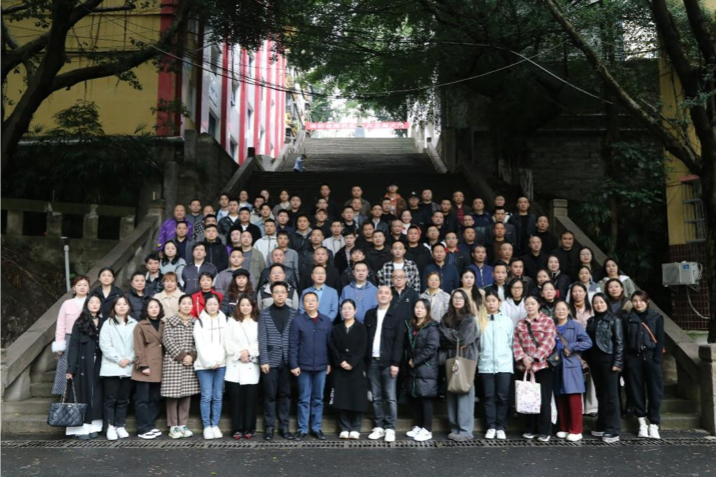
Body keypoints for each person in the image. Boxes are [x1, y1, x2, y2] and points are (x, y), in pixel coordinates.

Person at [289, 292, 333, 441]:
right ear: (303, 304)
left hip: (321, 366)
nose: (310, 303)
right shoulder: (297, 321)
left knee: (318, 398)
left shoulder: (326, 321)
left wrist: (329, 363)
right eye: (307, 301)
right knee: (303, 398)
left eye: (313, 300)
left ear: (318, 303)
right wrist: (294, 364)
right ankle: (302, 429)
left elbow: (330, 345)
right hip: (303, 366)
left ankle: (316, 428)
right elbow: (293, 344)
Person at [258, 281, 299, 440]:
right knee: (269, 395)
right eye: (276, 292)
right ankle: (269, 428)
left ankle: (284, 427)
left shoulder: (294, 313)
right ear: (272, 295)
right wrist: (264, 360)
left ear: (287, 294)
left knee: (285, 395)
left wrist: (295, 361)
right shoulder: (264, 313)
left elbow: (296, 339)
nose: (280, 295)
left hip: (288, 361)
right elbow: (262, 338)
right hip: (270, 361)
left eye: (282, 292)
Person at [513, 295, 556, 442]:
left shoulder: (547, 321)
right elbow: (516, 342)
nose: (530, 306)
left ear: (539, 305)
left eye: (533, 303)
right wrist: (523, 357)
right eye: (527, 304)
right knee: (528, 397)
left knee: (543, 398)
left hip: (542, 366)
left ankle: (544, 430)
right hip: (525, 367)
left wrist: (534, 357)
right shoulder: (520, 323)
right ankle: (530, 428)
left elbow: (549, 342)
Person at [365, 285, 404, 443]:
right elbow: (366, 339)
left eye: (386, 293)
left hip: (388, 362)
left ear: (391, 297)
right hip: (372, 360)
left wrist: (395, 363)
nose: (383, 295)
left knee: (390, 397)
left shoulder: (397, 315)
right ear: (376, 296)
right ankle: (379, 426)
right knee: (376, 396)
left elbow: (399, 341)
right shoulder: (370, 314)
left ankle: (390, 427)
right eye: (380, 292)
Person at [624, 291, 664, 439]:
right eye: (635, 300)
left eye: (641, 300)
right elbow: (625, 340)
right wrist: (628, 359)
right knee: (636, 391)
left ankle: (654, 423)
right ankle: (642, 422)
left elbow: (660, 339)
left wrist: (657, 359)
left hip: (651, 357)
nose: (638, 303)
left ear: (647, 302)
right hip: (634, 358)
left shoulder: (656, 317)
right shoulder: (628, 318)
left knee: (655, 391)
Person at [440, 289, 479, 441]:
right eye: (455, 297)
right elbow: (441, 338)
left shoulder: (469, 319)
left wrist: (448, 333)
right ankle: (454, 428)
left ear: (465, 301)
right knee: (451, 391)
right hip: (449, 359)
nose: (457, 300)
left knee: (464, 391)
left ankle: (465, 431)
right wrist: (452, 337)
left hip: (465, 359)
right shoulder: (446, 317)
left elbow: (462, 339)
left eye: (460, 298)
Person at [64, 295, 105, 439]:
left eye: (97, 302)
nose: (94, 304)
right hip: (83, 364)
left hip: (100, 362)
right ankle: (80, 428)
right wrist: (71, 368)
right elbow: (73, 346)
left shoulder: (104, 322)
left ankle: (95, 426)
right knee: (82, 393)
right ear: (87, 304)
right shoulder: (80, 322)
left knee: (97, 394)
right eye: (91, 302)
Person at [585, 293, 624, 443]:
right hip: (594, 362)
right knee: (600, 394)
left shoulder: (614, 320)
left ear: (606, 303)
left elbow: (619, 343)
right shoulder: (591, 320)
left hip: (609, 361)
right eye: (596, 302)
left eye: (601, 302)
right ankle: (601, 424)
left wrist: (617, 363)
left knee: (611, 396)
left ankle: (613, 429)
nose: (599, 305)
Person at [552, 300, 592, 442]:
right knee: (560, 397)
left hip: (571, 365)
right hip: (556, 365)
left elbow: (588, 342)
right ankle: (564, 427)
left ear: (568, 311)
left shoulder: (575, 326)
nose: (561, 311)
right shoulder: (552, 325)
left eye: (563, 309)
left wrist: (572, 346)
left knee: (573, 398)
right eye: (558, 309)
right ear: (554, 311)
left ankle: (576, 430)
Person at [162, 295, 200, 439]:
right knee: (172, 395)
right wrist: (183, 356)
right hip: (174, 362)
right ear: (179, 305)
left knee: (186, 394)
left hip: (189, 363)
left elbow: (199, 342)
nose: (186, 305)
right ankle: (173, 426)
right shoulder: (170, 321)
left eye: (189, 303)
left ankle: (183, 424)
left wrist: (192, 356)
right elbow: (167, 340)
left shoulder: (195, 322)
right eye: (183, 303)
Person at [99, 296, 137, 441]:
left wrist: (129, 358)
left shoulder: (135, 324)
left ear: (129, 307)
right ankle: (110, 426)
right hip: (112, 367)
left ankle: (120, 425)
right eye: (118, 304)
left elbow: (138, 346)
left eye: (124, 304)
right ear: (114, 307)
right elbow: (105, 345)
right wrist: (119, 359)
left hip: (128, 367)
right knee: (110, 399)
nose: (121, 306)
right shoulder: (107, 324)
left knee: (123, 399)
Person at [478, 290, 514, 440]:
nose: (491, 303)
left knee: (503, 397)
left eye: (494, 300)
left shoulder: (507, 321)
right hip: (485, 364)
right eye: (488, 301)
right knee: (488, 397)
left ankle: (501, 426)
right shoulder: (479, 320)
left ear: (499, 302)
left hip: (504, 365)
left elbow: (511, 343)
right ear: (484, 303)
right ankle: (490, 426)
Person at [329, 299, 368, 439]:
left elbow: (362, 348)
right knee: (342, 397)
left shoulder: (361, 328)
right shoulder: (336, 328)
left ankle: (356, 427)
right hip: (340, 367)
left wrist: (351, 363)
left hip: (356, 367)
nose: (347, 311)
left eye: (350, 308)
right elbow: (332, 347)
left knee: (357, 397)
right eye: (344, 308)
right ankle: (344, 427)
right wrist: (341, 361)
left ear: (355, 310)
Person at [225, 295, 261, 440]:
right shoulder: (232, 321)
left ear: (252, 306)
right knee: (236, 400)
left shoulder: (258, 322)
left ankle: (250, 428)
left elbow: (260, 341)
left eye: (248, 305)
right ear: (238, 307)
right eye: (242, 305)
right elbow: (227, 340)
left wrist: (248, 352)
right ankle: (237, 428)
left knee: (250, 400)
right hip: (235, 364)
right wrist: (240, 353)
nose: (245, 307)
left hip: (251, 364)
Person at [404, 299, 440, 441]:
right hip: (413, 368)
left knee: (425, 398)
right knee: (416, 397)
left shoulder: (431, 327)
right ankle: (418, 426)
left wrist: (415, 361)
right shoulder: (411, 325)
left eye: (422, 308)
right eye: (417, 307)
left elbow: (431, 348)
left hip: (426, 368)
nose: (419, 310)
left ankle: (427, 429)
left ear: (427, 310)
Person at [194, 295, 227, 440]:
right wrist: (209, 362)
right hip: (203, 365)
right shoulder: (199, 321)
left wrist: (219, 360)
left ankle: (215, 425)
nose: (212, 306)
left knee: (218, 396)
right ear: (205, 305)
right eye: (209, 304)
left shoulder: (224, 319)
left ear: (219, 305)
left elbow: (227, 341)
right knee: (206, 396)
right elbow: (199, 344)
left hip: (221, 363)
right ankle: (207, 426)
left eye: (215, 304)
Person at [132, 298, 165, 439]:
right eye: (151, 307)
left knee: (155, 398)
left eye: (156, 306)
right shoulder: (140, 325)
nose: (154, 309)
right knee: (142, 399)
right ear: (146, 309)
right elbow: (138, 347)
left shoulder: (163, 324)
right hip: (145, 367)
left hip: (159, 367)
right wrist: (143, 365)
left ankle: (150, 425)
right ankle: (142, 428)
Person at [52, 275, 90, 397]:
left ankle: (84, 394)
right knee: (66, 366)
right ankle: (65, 395)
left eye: (85, 285)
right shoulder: (67, 303)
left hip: (87, 338)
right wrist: (59, 343)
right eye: (79, 285)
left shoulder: (92, 302)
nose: (82, 287)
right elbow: (61, 324)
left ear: (89, 288)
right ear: (74, 288)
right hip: (69, 338)